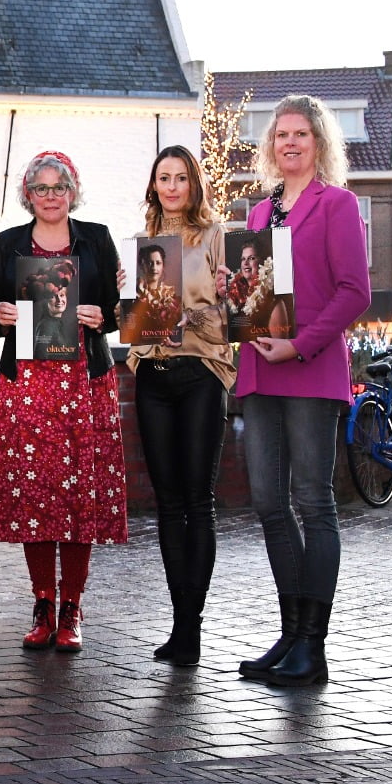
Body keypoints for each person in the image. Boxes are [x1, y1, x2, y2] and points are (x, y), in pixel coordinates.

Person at [236, 95, 369, 687]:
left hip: (310, 369)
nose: (289, 143)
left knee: (313, 502)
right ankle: (290, 634)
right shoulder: (259, 215)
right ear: (271, 145)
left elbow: (354, 291)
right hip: (261, 368)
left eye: (301, 134)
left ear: (319, 143)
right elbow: (258, 292)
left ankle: (312, 646)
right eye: (281, 134)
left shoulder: (337, 204)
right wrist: (234, 289)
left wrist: (301, 344)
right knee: (268, 501)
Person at [0, 150, 126, 653]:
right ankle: (43, 603)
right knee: (35, 494)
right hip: (27, 381)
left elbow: (119, 309)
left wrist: (102, 316)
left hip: (84, 381)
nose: (50, 196)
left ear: (72, 191)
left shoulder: (96, 239)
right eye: (41, 188)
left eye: (58, 187)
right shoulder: (9, 243)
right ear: (28, 194)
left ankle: (72, 607)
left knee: (80, 495)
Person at [126, 145, 234, 668]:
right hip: (153, 375)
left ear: (194, 184)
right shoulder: (143, 242)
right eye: (163, 178)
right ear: (153, 184)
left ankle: (192, 626)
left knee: (198, 501)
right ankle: (178, 623)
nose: (171, 187)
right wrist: (128, 303)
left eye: (181, 178)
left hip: (200, 374)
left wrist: (216, 301)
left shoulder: (215, 237)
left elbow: (237, 315)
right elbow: (137, 322)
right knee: (168, 503)